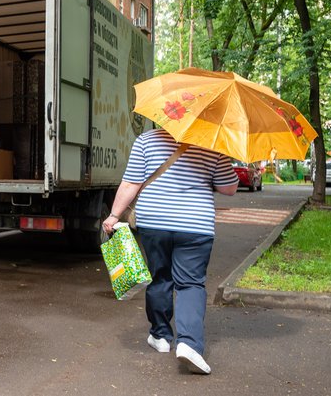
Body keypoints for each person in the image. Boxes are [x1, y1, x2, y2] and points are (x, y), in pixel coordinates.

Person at [102, 127, 238, 375]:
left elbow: (132, 182)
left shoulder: (147, 139)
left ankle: (161, 336)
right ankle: (189, 344)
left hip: (154, 222)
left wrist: (114, 215)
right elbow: (229, 188)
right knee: (191, 284)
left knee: (160, 276)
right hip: (196, 225)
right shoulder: (214, 143)